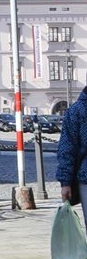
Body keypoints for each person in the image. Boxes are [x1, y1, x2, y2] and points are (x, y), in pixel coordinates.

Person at [56, 84, 87, 223]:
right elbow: (67, 148)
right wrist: (65, 182)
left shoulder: (76, 110)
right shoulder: (78, 111)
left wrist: (66, 183)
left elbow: (67, 147)